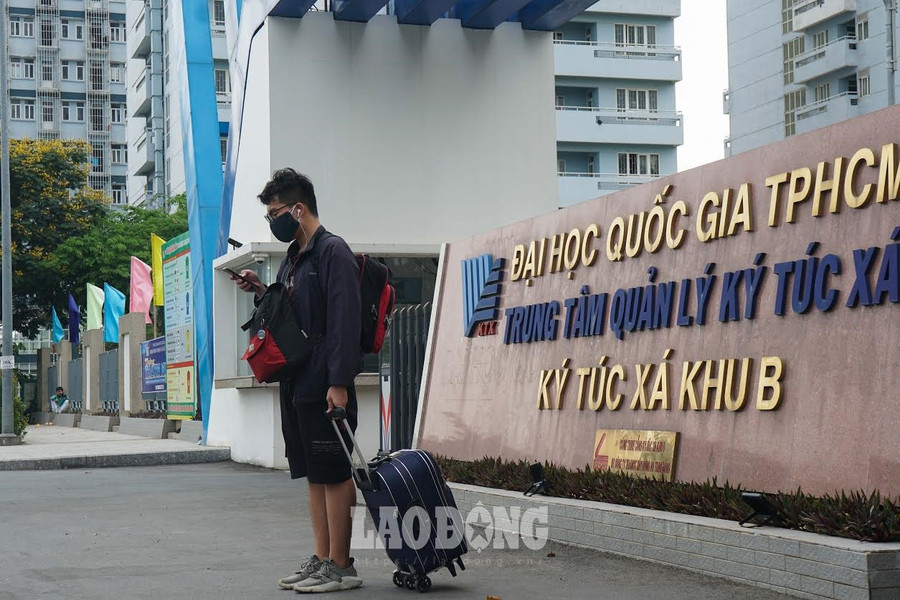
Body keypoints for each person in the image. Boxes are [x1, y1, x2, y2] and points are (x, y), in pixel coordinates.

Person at [232, 168, 363, 594]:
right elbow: (293, 314)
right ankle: (323, 557)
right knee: (312, 472)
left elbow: (344, 320)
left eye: (275, 212)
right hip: (298, 381)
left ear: (299, 208)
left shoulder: (332, 252)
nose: (273, 221)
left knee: (335, 471)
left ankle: (342, 565)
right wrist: (259, 289)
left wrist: (339, 382)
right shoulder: (293, 259)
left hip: (326, 383)